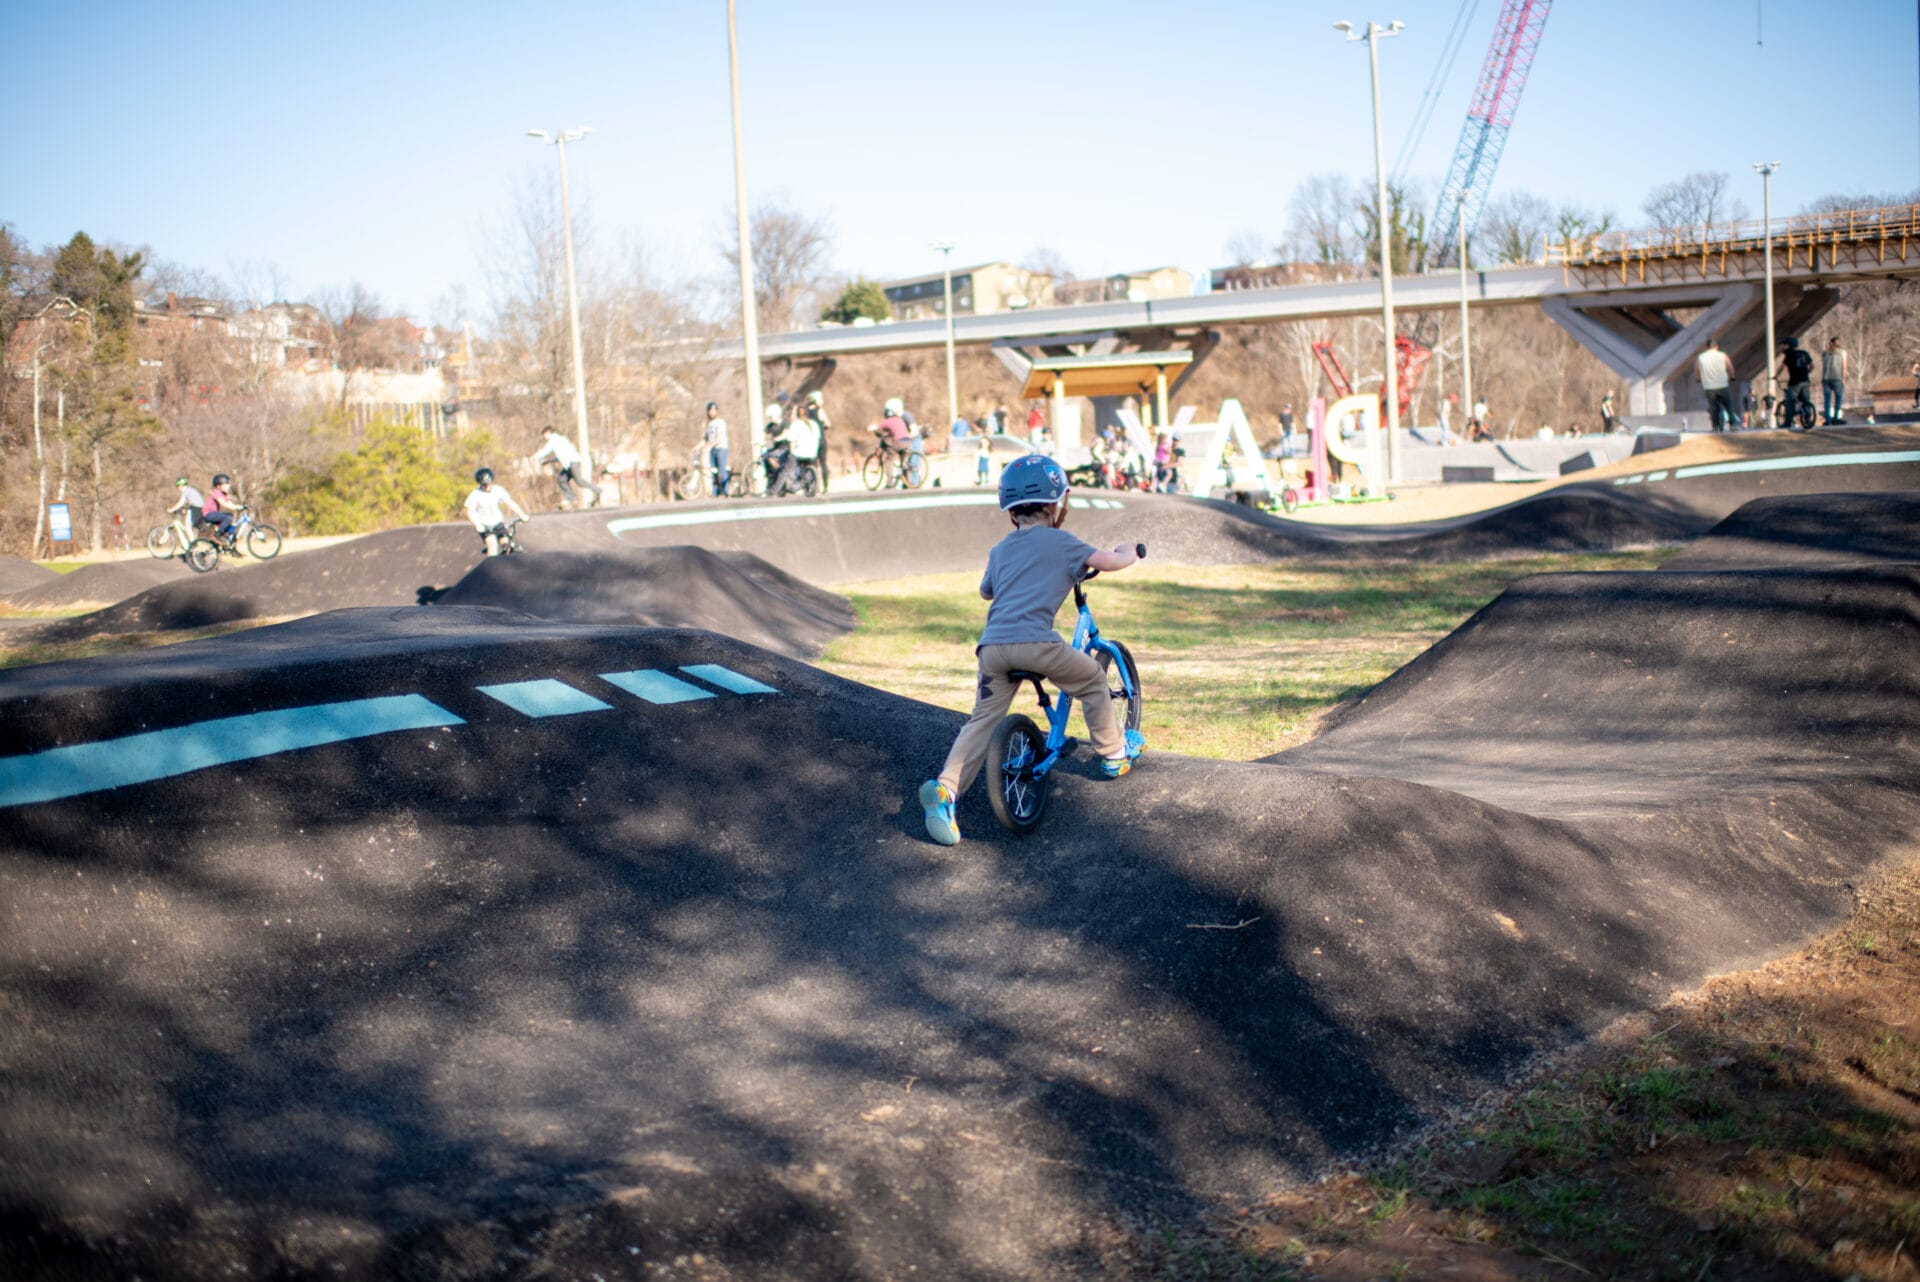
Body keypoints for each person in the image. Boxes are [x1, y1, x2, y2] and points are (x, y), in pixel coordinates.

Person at [916, 454, 1145, 846]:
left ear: (1010, 513)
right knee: (1090, 679)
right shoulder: (1064, 541)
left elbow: (985, 591)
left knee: (982, 719)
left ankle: (946, 789)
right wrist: (1130, 551)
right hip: (1036, 644)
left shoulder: (1000, 549)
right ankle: (1114, 754)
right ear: (1057, 506)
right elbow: (1109, 562)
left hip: (991, 650)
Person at [532, 426, 604, 509]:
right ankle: (571, 498)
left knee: (579, 481)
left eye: (545, 435)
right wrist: (549, 461)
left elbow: (546, 450)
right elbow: (562, 455)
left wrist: (535, 456)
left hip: (573, 463)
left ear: (548, 433)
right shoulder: (560, 440)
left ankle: (598, 491)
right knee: (561, 479)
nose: (545, 437)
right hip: (570, 464)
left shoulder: (554, 440)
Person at [465, 466, 530, 556]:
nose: (487, 486)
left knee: (507, 545)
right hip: (485, 525)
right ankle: (491, 567)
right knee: (492, 544)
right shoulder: (475, 494)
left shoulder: (498, 490)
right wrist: (478, 525)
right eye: (484, 485)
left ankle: (508, 566)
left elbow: (510, 503)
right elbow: (470, 511)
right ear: (480, 484)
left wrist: (522, 515)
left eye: (488, 483)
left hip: (498, 523)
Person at [1695, 338, 1736, 432]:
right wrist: (1732, 376)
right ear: (1716, 346)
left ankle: (1714, 427)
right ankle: (1733, 424)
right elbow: (1730, 367)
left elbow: (1696, 370)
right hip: (1723, 385)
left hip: (1709, 387)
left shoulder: (1701, 357)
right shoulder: (1722, 355)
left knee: (1713, 407)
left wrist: (1697, 378)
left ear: (1707, 347)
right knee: (1728, 405)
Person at [1775, 337, 1816, 427]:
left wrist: (1775, 376)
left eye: (1785, 345)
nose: (1783, 347)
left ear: (1789, 345)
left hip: (1794, 382)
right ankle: (1807, 419)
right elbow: (1812, 366)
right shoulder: (1804, 353)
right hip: (1805, 380)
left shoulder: (1789, 355)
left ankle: (1787, 422)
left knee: (1790, 401)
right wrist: (1806, 372)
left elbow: (1781, 368)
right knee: (1805, 400)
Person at [803, 390, 832, 491]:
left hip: (810, 441)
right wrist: (823, 426)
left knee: (812, 464)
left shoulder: (805, 413)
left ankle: (815, 486)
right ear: (815, 401)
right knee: (823, 462)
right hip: (821, 440)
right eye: (820, 399)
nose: (822, 401)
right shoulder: (819, 411)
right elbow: (828, 424)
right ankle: (825, 487)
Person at [202, 474, 241, 544]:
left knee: (232, 526)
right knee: (228, 517)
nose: (228, 486)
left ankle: (231, 547)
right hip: (208, 514)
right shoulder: (216, 493)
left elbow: (229, 503)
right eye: (226, 485)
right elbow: (223, 503)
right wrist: (235, 507)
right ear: (218, 486)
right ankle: (217, 535)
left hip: (214, 514)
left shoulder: (223, 494)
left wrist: (240, 506)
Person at [703, 401, 731, 496]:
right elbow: (705, 439)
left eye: (714, 410)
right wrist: (697, 448)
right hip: (712, 450)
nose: (712, 412)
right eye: (710, 410)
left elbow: (719, 437)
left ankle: (725, 491)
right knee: (713, 472)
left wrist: (709, 446)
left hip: (721, 449)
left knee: (721, 471)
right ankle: (715, 492)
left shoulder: (720, 422)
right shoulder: (709, 424)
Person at [1822, 336, 1849, 425]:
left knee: (1827, 400)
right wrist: (1844, 379)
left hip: (1825, 379)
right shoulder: (1842, 353)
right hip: (1837, 378)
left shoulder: (1825, 353)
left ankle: (1827, 419)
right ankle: (1836, 418)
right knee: (1838, 398)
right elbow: (1844, 367)